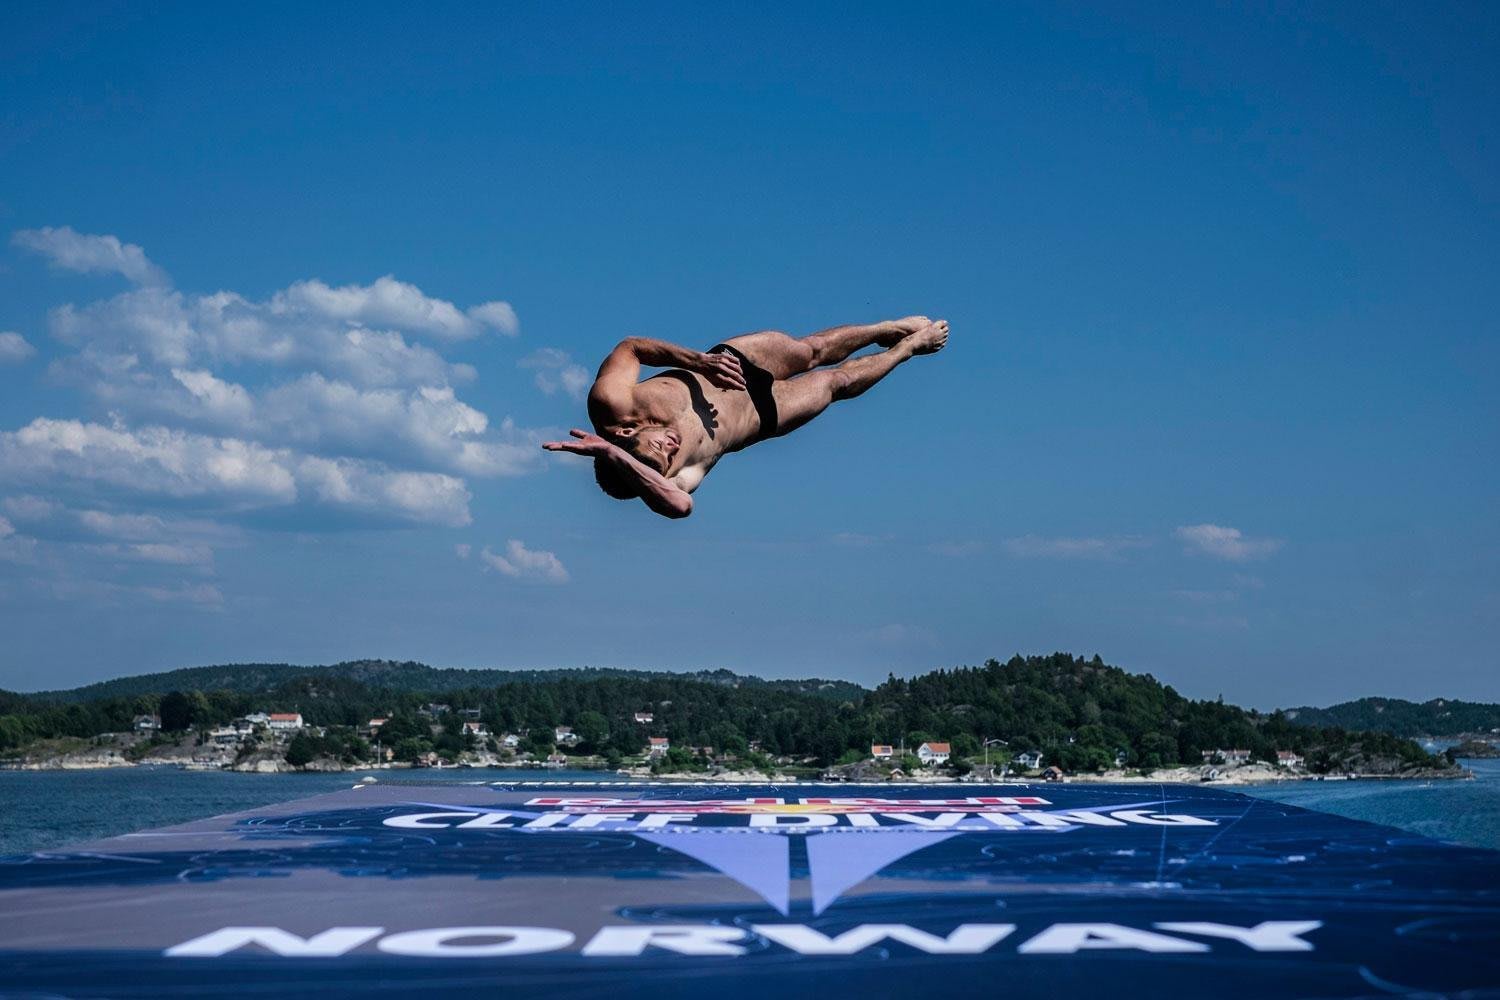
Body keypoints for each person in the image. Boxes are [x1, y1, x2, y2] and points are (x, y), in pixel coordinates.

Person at [542, 317, 949, 518]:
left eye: (657, 446)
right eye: (666, 458)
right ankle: (908, 348)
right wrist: (615, 457)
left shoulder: (610, 404)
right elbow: (680, 507)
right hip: (762, 414)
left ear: (627, 431)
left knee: (811, 351)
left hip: (731, 364)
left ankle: (885, 329)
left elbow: (630, 347)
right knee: (835, 382)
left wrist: (698, 361)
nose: (670, 447)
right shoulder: (673, 479)